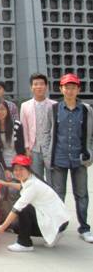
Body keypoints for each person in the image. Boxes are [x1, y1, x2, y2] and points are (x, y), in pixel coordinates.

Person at [46, 73, 93, 243]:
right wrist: (48, 155)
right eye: (67, 87)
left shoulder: (86, 110)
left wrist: (90, 152)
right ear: (61, 89)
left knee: (81, 194)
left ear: (78, 89)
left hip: (79, 158)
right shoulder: (54, 109)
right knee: (58, 194)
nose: (70, 90)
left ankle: (84, 228)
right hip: (59, 157)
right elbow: (48, 133)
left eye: (73, 87)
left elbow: (91, 134)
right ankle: (59, 226)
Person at [0, 155, 70, 252]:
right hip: (59, 220)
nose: (18, 172)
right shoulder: (32, 179)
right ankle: (55, 233)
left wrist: (2, 227)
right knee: (17, 222)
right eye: (16, 169)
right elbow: (22, 186)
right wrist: (6, 184)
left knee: (22, 212)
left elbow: (16, 208)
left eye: (21, 169)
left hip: (58, 221)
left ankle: (24, 243)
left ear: (28, 169)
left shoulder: (33, 186)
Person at [20, 73, 56, 182]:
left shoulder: (54, 105)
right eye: (35, 84)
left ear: (46, 86)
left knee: (53, 180)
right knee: (36, 180)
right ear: (31, 87)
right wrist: (26, 148)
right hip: (33, 149)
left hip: (50, 149)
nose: (39, 87)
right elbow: (24, 129)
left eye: (41, 84)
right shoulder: (25, 106)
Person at [0, 98, 25, 182]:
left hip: (17, 162)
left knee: (15, 187)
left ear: (7, 110)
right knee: (2, 186)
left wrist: (18, 166)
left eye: (2, 109)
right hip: (1, 163)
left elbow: (21, 148)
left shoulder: (17, 125)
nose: (0, 112)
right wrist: (5, 169)